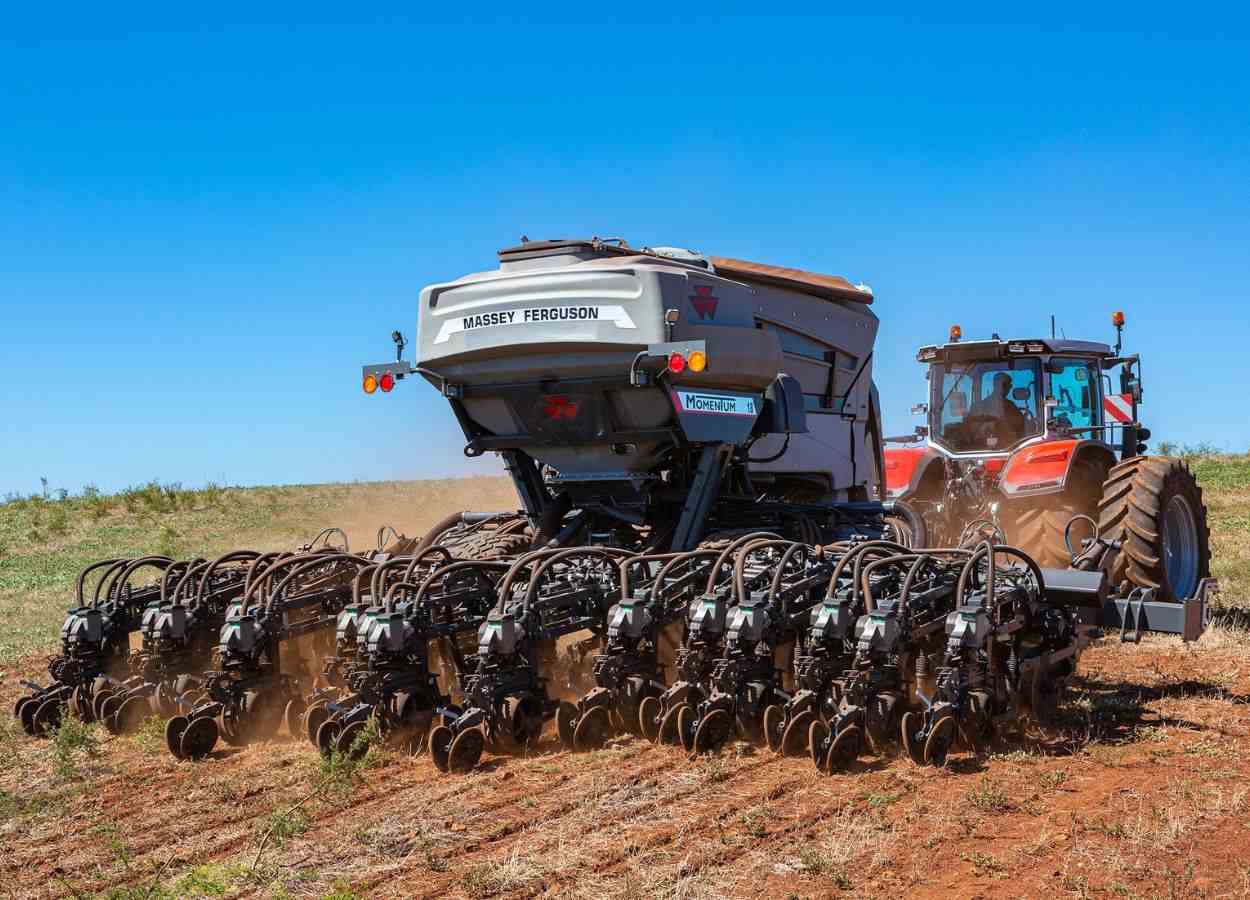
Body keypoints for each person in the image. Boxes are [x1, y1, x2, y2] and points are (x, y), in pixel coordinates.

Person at [969, 372, 1026, 443]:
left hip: (1009, 445)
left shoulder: (1011, 407)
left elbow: (1021, 428)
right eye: (1002, 384)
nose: (1002, 387)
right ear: (995, 385)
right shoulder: (978, 407)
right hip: (994, 445)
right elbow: (973, 432)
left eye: (1006, 385)